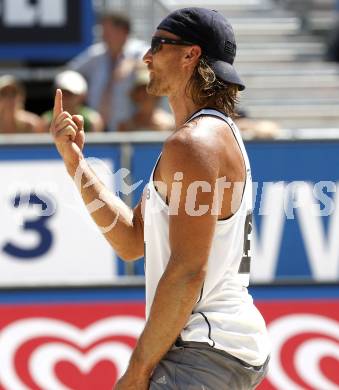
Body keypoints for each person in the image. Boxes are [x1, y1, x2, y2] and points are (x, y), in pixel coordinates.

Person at [51, 7, 270, 390]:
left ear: (191, 55)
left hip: (204, 349)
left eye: (158, 45)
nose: (146, 56)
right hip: (216, 348)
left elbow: (187, 272)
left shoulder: (194, 143)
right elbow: (132, 241)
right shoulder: (203, 137)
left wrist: (136, 372)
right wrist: (76, 165)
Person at [69, 11, 148, 131]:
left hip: (128, 128)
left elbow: (157, 64)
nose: (104, 36)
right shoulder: (96, 53)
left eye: (108, 31)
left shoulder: (138, 50)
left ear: (123, 31)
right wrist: (80, 93)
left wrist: (133, 64)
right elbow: (70, 72)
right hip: (96, 127)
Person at [118, 64, 175, 131]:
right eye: (140, 90)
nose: (144, 94)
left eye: (148, 89)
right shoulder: (127, 126)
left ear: (156, 95)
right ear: (135, 96)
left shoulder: (170, 124)